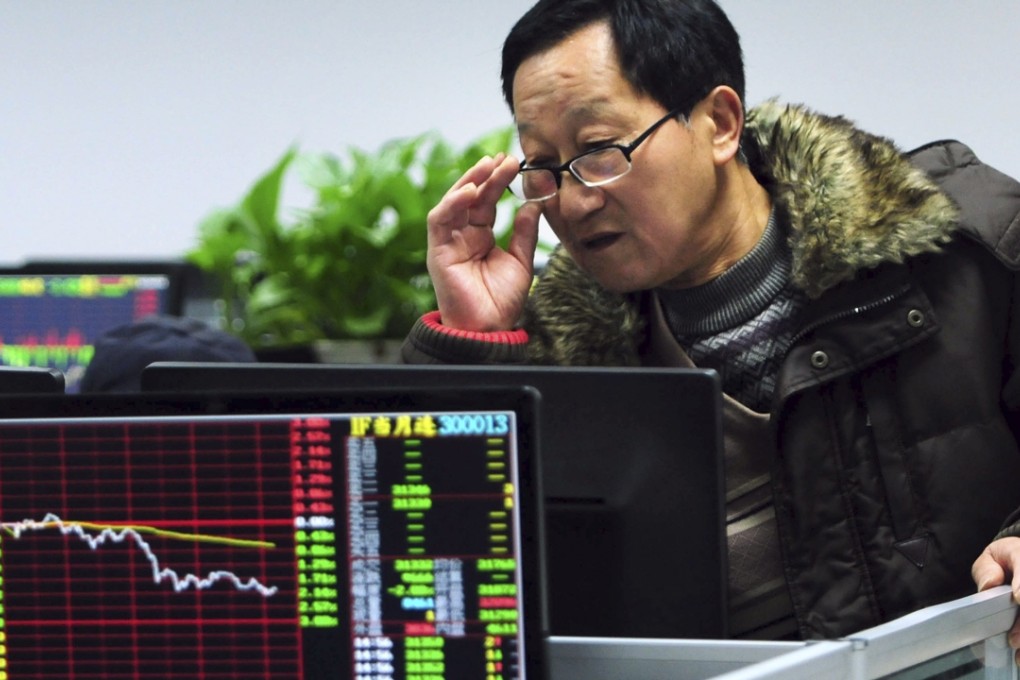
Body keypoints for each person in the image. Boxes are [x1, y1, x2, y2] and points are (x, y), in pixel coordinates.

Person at [401, 0, 1020, 644]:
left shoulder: (962, 247)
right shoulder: (563, 354)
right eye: (544, 167)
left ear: (721, 124)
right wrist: (469, 343)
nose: (576, 201)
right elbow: (438, 595)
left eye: (600, 151)